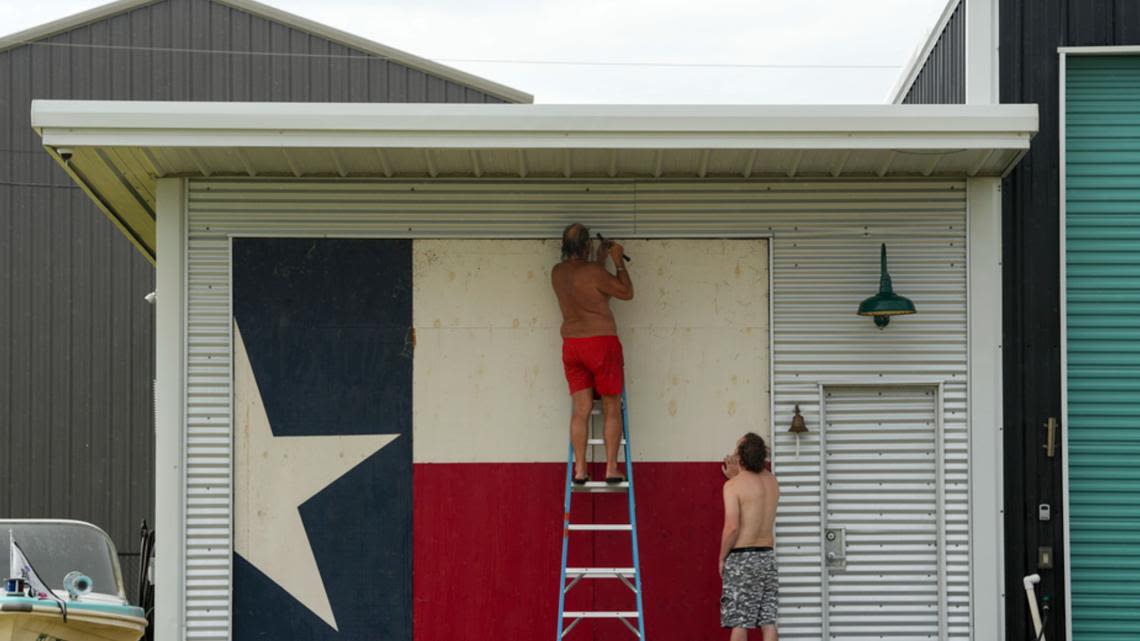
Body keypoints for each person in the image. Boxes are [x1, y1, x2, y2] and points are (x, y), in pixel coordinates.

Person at [551, 222, 633, 484]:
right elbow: (626, 293)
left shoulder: (557, 272)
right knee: (611, 405)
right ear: (587, 245)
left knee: (581, 408)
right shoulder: (594, 273)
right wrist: (618, 262)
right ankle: (610, 468)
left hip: (572, 345)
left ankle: (580, 470)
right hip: (601, 342)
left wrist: (598, 262)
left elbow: (592, 295)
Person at [719, 433, 780, 640]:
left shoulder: (733, 486)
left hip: (742, 558)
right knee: (768, 621)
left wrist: (721, 558)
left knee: (740, 621)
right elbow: (755, 492)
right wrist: (738, 474)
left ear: (740, 456)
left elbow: (732, 528)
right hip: (767, 557)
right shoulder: (772, 481)